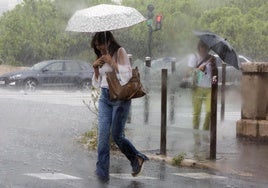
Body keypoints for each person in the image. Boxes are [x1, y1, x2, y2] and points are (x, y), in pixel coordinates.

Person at [91, 31, 149, 182]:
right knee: (103, 136)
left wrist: (112, 62)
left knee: (117, 135)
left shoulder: (119, 51)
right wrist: (96, 68)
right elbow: (97, 84)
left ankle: (136, 157)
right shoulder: (101, 56)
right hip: (105, 97)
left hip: (120, 97)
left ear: (108, 41)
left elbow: (127, 75)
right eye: (97, 47)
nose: (100, 49)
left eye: (101, 45)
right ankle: (102, 173)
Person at [187, 40, 217, 131]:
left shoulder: (212, 58)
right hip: (197, 87)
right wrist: (198, 69)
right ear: (199, 47)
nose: (203, 49)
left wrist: (213, 65)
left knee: (209, 111)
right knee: (197, 112)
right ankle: (195, 132)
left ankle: (205, 131)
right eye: (202, 47)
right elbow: (188, 72)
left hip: (209, 88)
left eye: (206, 47)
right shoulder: (194, 57)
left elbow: (215, 74)